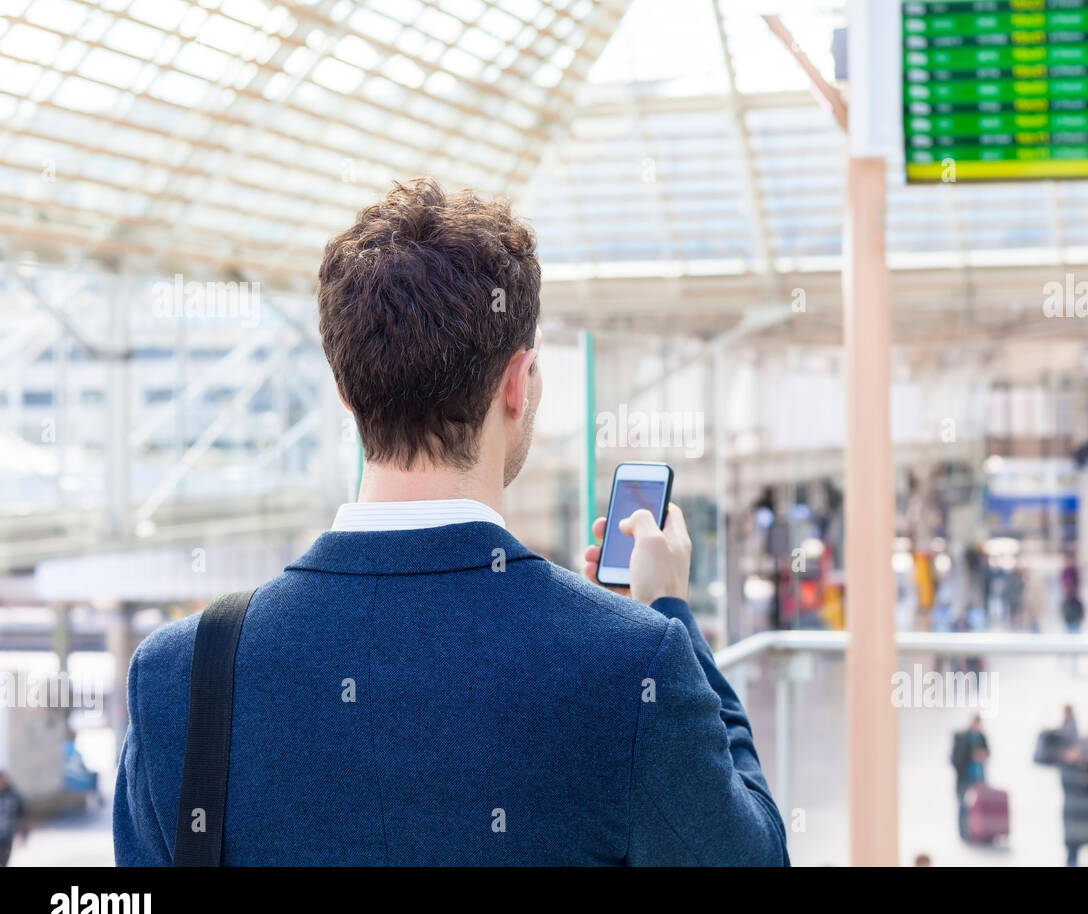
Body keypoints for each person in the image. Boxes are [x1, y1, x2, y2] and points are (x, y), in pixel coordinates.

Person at [114, 178, 787, 867]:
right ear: (518, 384)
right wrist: (670, 608)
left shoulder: (181, 677)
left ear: (345, 391)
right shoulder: (634, 665)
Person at [951, 715, 989, 840]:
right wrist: (972, 756)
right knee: (963, 805)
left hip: (978, 777)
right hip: (965, 778)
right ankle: (963, 831)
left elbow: (988, 752)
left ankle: (976, 830)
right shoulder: (962, 737)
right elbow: (957, 758)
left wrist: (983, 755)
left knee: (978, 806)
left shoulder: (981, 737)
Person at [0, 771, 27, 867]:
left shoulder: (13, 796)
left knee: (4, 861)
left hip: (7, 835)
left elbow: (22, 814)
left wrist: (24, 834)